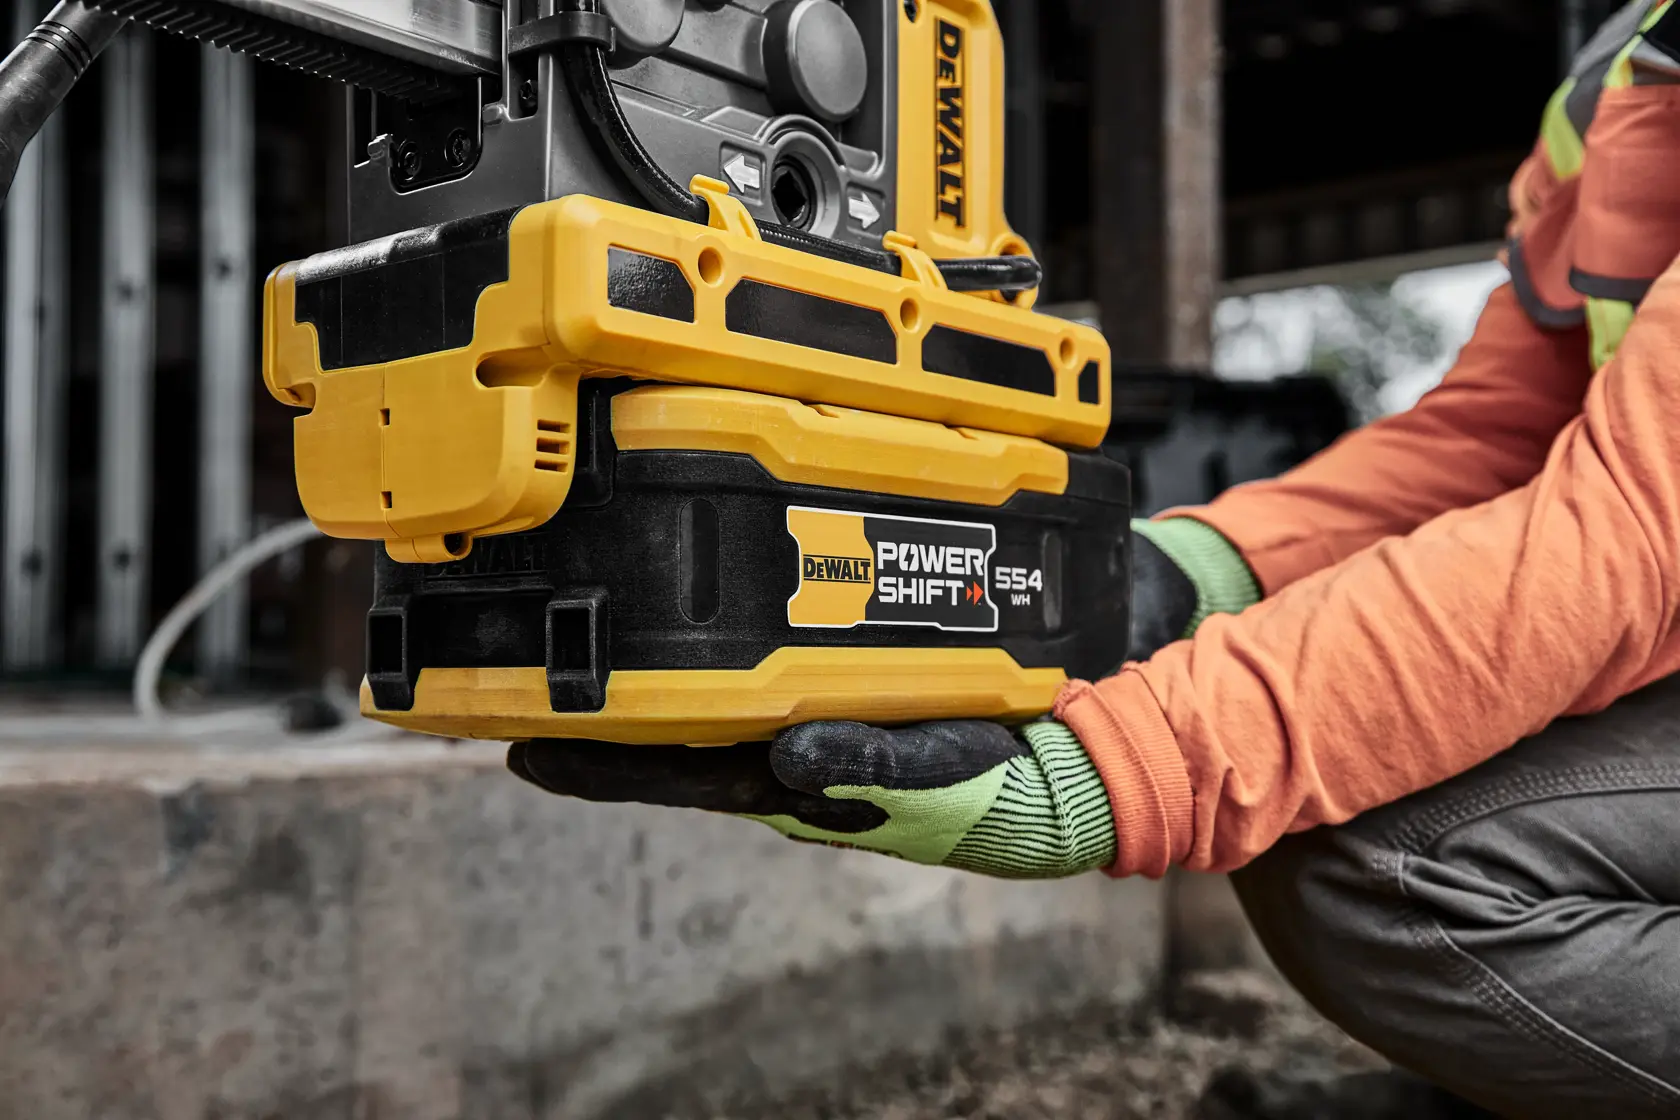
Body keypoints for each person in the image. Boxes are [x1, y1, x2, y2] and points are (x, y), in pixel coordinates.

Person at [510, 3, 1680, 1115]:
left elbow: (1629, 530)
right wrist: (1185, 573)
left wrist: (1111, 777)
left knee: (1379, 863)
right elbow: (1491, 438)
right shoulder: (1622, 75)